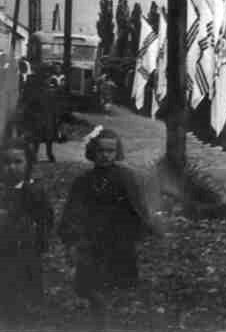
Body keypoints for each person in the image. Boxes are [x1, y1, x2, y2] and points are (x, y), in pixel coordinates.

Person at [59, 128, 155, 327]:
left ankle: (109, 322)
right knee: (93, 289)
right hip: (91, 243)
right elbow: (72, 212)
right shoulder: (83, 182)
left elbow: (138, 209)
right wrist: (72, 241)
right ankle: (101, 322)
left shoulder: (126, 178)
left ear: (117, 153)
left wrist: (138, 234)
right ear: (92, 152)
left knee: (114, 287)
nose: (105, 155)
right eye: (101, 151)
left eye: (110, 151)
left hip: (118, 241)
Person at [0, 137, 54, 325]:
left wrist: (40, 242)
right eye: (6, 162)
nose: (12, 167)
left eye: (18, 162)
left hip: (25, 252)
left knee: (24, 296)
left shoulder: (34, 191)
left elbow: (46, 218)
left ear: (28, 164)